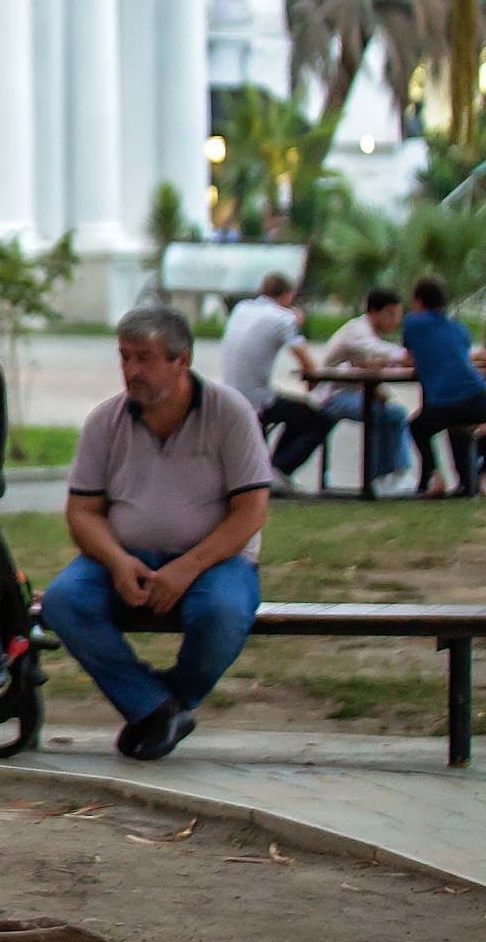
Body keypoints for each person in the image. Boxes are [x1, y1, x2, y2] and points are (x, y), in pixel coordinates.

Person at [40, 306, 271, 761]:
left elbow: (250, 512)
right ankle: (156, 709)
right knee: (63, 599)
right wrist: (117, 560)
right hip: (126, 556)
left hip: (215, 560)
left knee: (222, 611)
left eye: (144, 358)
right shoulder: (105, 421)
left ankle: (163, 705)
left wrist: (188, 567)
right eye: (124, 357)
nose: (131, 370)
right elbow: (83, 512)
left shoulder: (230, 414)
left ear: (181, 361)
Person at [218, 272, 330, 486]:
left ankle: (272, 468)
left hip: (231, 393)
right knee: (317, 420)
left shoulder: (242, 308)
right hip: (257, 400)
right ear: (288, 296)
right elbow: (309, 365)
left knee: (297, 412)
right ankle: (279, 468)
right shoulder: (283, 318)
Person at [314, 287, 416, 494]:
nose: (397, 320)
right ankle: (381, 477)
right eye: (392, 314)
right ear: (375, 312)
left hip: (352, 393)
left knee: (394, 413)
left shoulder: (366, 333)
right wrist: (409, 356)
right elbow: (379, 350)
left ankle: (392, 475)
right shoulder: (357, 331)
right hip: (331, 396)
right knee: (382, 414)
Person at [403, 276, 486, 497]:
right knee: (459, 424)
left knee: (418, 427)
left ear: (419, 301)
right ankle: (472, 481)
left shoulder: (413, 323)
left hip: (444, 403)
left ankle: (434, 478)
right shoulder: (459, 329)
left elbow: (410, 360)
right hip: (479, 397)